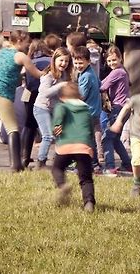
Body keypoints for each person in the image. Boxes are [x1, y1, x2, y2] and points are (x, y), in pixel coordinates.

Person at [0, 30, 44, 172]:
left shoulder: (2, 52)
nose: (28, 44)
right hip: (0, 94)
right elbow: (38, 74)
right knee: (13, 129)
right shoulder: (20, 56)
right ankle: (16, 165)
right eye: (26, 42)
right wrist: (51, 70)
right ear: (19, 41)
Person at [51, 82, 95, 212]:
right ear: (79, 97)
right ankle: (89, 203)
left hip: (66, 146)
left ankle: (63, 185)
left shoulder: (62, 106)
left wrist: (56, 126)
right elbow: (91, 130)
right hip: (83, 147)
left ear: (62, 97)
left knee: (57, 168)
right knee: (86, 178)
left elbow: (59, 115)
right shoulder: (86, 110)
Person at [33, 47, 70, 168]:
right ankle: (41, 162)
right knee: (48, 136)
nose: (64, 63)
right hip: (42, 108)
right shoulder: (48, 75)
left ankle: (59, 160)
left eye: (66, 61)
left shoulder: (64, 75)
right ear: (54, 60)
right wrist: (61, 86)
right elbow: (45, 93)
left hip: (55, 110)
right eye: (61, 60)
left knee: (61, 134)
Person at [100, 46, 132, 176]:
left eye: (114, 60)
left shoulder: (117, 72)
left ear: (120, 59)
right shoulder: (122, 71)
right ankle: (127, 164)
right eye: (109, 61)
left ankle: (110, 167)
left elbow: (102, 86)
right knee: (116, 139)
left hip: (118, 109)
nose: (112, 63)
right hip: (124, 108)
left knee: (107, 138)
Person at [22, 39, 52, 167]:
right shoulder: (51, 61)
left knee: (29, 126)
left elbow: (25, 83)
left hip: (31, 95)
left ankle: (25, 156)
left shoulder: (30, 62)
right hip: (47, 97)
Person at [72, 46, 103, 173]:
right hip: (95, 111)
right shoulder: (91, 72)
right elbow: (100, 85)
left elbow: (81, 96)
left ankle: (90, 164)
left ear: (88, 61)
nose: (78, 65)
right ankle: (94, 164)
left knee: (84, 140)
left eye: (81, 63)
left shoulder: (85, 77)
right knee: (90, 139)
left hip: (87, 113)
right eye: (76, 62)